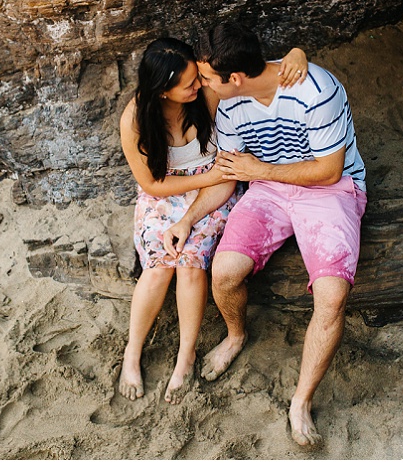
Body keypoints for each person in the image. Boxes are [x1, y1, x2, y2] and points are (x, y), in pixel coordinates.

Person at [163, 21, 366, 448]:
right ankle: (236, 335)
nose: (199, 84)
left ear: (233, 77)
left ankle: (301, 400)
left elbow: (328, 170)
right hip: (268, 191)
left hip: (330, 191)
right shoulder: (231, 103)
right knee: (224, 271)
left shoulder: (316, 90)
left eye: (204, 77)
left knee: (331, 295)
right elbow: (230, 172)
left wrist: (261, 171)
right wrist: (187, 220)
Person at [118, 35, 308, 404]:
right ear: (162, 91)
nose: (199, 84)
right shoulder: (135, 119)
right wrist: (211, 177)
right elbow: (151, 183)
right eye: (188, 83)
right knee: (159, 267)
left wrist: (296, 54)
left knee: (190, 265)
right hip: (168, 192)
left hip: (215, 192)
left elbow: (253, 70)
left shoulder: (208, 93)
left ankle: (185, 355)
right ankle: (133, 351)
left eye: (198, 77)